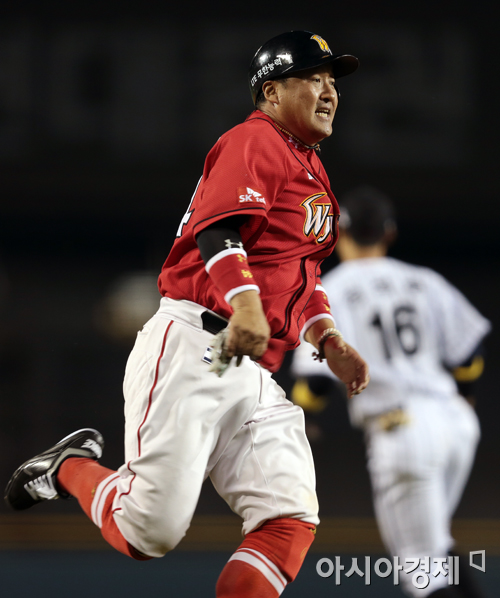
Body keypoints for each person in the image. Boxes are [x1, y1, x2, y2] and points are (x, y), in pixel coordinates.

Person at [5, 31, 369, 597]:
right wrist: (245, 304)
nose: (328, 92)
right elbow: (217, 231)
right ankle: (68, 466)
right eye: (312, 78)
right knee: (147, 533)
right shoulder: (256, 139)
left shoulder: (310, 168)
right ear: (271, 92)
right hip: (197, 344)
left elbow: (301, 276)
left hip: (250, 368)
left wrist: (327, 338)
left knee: (289, 517)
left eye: (331, 81)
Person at [291, 186, 491, 598]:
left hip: (403, 430)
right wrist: (466, 397)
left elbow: (315, 381)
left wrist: (303, 418)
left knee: (423, 571)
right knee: (436, 545)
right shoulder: (423, 280)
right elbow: (469, 356)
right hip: (455, 423)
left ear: (338, 233)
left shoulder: (330, 291)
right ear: (389, 232)